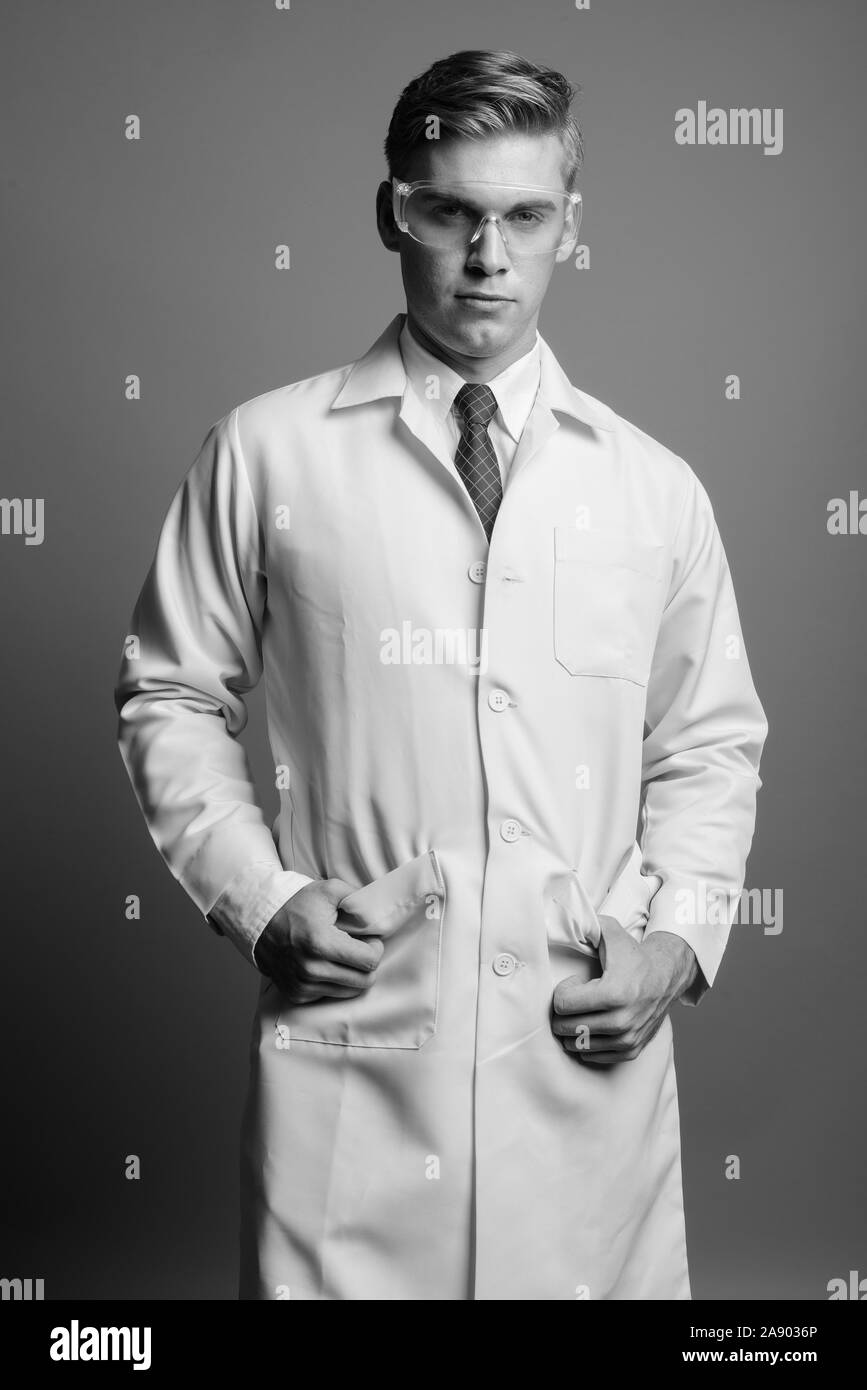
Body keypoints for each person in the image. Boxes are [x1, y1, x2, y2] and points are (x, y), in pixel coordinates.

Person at [114, 48, 768, 1301]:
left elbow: (709, 744)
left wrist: (676, 944)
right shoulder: (266, 451)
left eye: (526, 215)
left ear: (572, 224)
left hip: (582, 1064)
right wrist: (261, 898)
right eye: (451, 211)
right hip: (358, 1059)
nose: (489, 256)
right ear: (391, 212)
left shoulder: (652, 486)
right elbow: (172, 692)